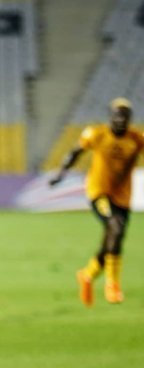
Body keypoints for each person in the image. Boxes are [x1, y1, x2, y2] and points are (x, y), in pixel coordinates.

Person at [49, 97, 143, 307]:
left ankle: (87, 274)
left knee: (112, 240)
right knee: (115, 228)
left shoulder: (137, 139)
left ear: (130, 119)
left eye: (124, 117)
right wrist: (61, 173)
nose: (120, 121)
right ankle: (113, 285)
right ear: (110, 117)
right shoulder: (97, 134)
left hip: (123, 197)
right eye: (117, 117)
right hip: (99, 193)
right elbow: (75, 152)